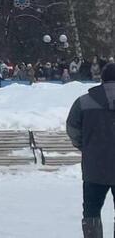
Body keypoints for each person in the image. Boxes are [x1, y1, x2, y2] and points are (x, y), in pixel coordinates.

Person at [66, 62, 115, 237]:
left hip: (94, 167)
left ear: (102, 79)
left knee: (92, 211)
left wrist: (85, 146)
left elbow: (72, 128)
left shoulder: (83, 102)